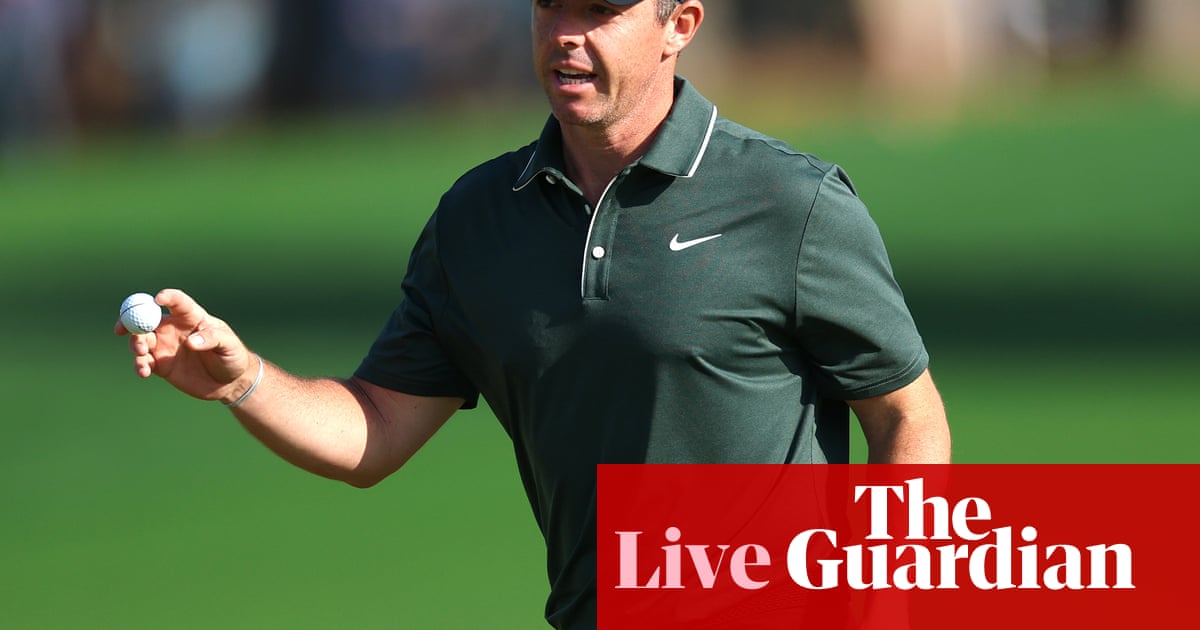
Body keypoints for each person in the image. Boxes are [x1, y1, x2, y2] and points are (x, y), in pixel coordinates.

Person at [117, 1, 951, 627]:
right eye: (551, 4)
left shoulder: (790, 202)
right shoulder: (478, 220)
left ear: (679, 25)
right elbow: (375, 430)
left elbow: (908, 418)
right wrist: (244, 382)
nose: (566, 34)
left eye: (600, 10)